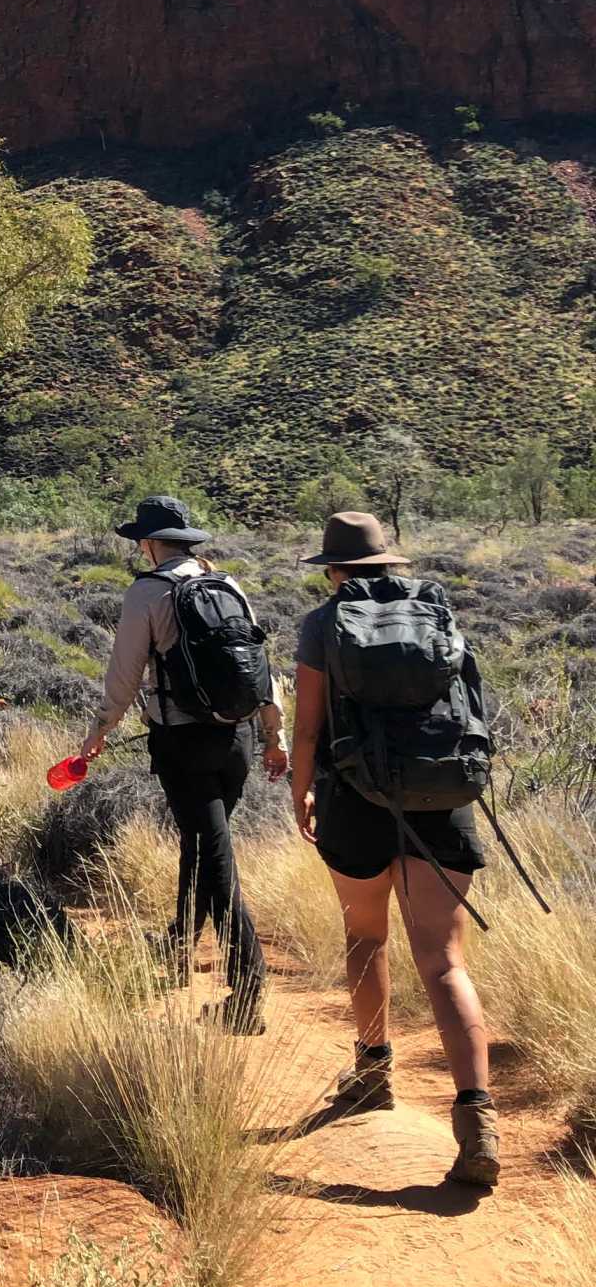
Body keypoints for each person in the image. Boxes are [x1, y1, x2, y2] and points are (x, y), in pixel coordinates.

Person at [289, 511, 498, 1188]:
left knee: (366, 936)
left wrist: (301, 792)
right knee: (443, 961)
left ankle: (373, 1071)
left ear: (332, 569)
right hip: (441, 796)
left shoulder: (323, 624)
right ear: (390, 564)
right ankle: (478, 1122)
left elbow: (309, 727)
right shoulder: (436, 610)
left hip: (357, 798)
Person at [80, 494, 285, 1034]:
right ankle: (178, 944)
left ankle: (247, 990)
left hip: (184, 742)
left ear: (149, 544)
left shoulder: (147, 592)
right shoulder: (228, 585)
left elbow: (124, 675)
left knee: (215, 860)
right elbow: (259, 664)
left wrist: (99, 732)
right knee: (203, 843)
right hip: (237, 737)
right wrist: (273, 734)